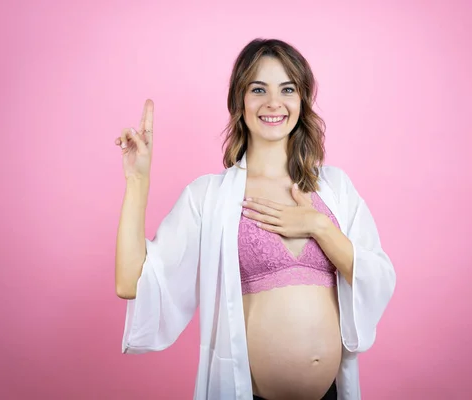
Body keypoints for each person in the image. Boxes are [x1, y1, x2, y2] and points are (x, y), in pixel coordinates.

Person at [114, 38, 396, 400]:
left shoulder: (335, 188)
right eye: (258, 89)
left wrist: (318, 226)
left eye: (287, 89)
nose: (273, 103)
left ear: (302, 100)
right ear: (239, 101)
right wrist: (138, 181)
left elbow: (378, 278)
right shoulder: (209, 197)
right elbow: (131, 283)